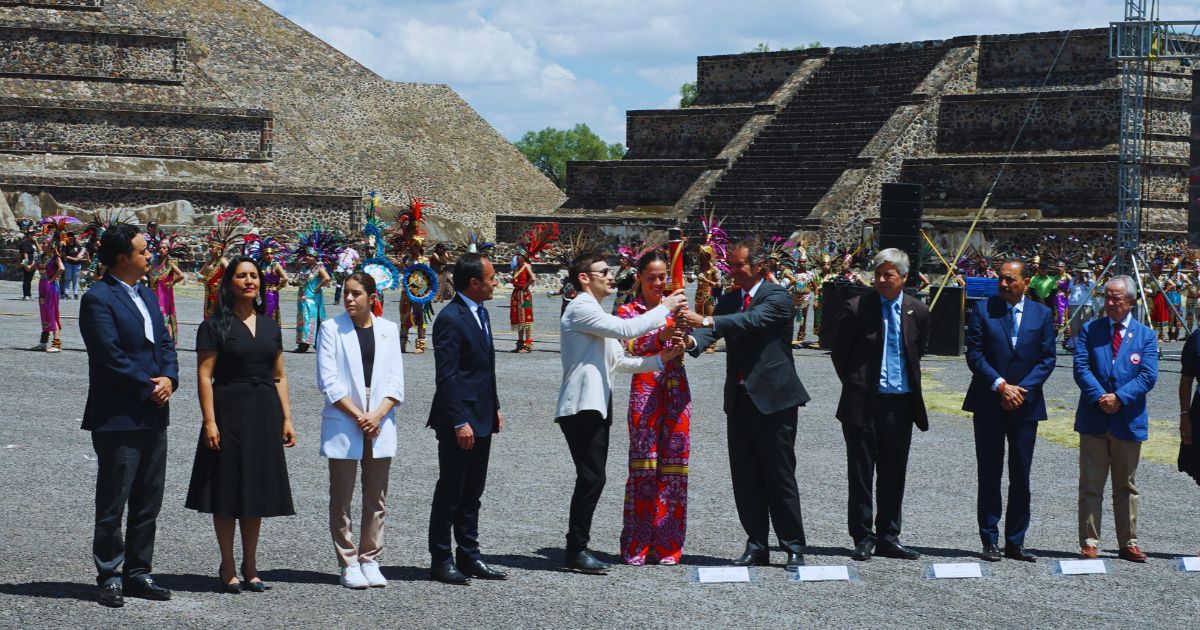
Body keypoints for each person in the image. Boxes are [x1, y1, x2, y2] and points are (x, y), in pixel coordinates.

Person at [682, 239, 810, 570]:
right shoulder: (728, 298)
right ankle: (756, 544)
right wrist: (690, 339)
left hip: (775, 401)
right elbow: (715, 333)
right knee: (746, 476)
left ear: (760, 267)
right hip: (739, 401)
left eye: (739, 265)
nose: (733, 271)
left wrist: (707, 321)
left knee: (779, 475)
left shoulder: (778, 297)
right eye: (732, 265)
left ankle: (793, 545)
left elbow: (748, 321)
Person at [556, 250, 686, 574]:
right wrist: (665, 309)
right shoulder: (581, 307)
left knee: (593, 477)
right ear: (585, 278)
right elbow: (628, 332)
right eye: (604, 271)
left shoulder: (596, 312)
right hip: (581, 405)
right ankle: (576, 548)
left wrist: (663, 358)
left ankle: (577, 546)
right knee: (592, 476)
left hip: (597, 403)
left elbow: (621, 362)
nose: (611, 276)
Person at [79, 223, 178, 608]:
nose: (150, 255)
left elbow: (166, 341)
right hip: (120, 414)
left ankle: (139, 572)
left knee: (148, 498)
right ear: (123, 258)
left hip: (154, 413)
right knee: (114, 499)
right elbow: (109, 355)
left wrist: (169, 377)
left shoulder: (147, 294)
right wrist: (148, 386)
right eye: (143, 250)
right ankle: (109, 573)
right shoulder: (98, 298)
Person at [186, 256, 297, 593]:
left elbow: (279, 375)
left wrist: (287, 417)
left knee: (255, 491)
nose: (249, 281)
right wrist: (209, 421)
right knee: (227, 489)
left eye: (253, 276)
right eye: (242, 276)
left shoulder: (270, 326)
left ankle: (251, 564)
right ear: (229, 282)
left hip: (264, 412)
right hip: (228, 411)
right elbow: (205, 375)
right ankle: (228, 564)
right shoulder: (214, 325)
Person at [830, 247, 929, 562]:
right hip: (863, 403)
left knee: (894, 472)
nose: (882, 280)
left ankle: (889, 535)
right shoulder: (858, 307)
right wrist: (857, 383)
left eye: (888, 274)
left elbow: (918, 350)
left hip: (899, 404)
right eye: (878, 274)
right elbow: (840, 353)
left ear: (903, 277)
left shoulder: (918, 311)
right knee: (860, 472)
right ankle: (863, 536)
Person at [963, 259, 1056, 563]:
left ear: (1026, 282)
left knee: (1021, 475)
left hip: (1025, 406)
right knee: (989, 472)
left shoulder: (1042, 314)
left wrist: (1020, 390)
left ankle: (1016, 541)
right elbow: (975, 353)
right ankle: (989, 538)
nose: (1003, 284)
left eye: (1010, 280)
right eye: (1001, 279)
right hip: (990, 402)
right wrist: (1001, 386)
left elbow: (1047, 358)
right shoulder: (983, 310)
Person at [316, 272, 405, 589]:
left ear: (371, 297)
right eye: (346, 294)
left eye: (356, 294)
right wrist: (360, 415)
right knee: (341, 496)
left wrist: (378, 414)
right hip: (346, 416)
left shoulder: (388, 330)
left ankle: (370, 558)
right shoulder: (330, 329)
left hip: (380, 417)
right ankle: (348, 561)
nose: (349, 299)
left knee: (376, 496)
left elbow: (396, 379)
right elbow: (328, 381)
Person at [427, 253, 507, 585]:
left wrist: (496, 405)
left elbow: (483, 369)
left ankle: (470, 555)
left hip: (483, 414)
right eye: (490, 278)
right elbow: (447, 377)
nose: (495, 282)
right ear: (473, 283)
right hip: (459, 419)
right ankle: (442, 558)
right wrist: (460, 421)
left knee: (473, 491)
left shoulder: (481, 312)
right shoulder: (450, 319)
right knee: (451, 490)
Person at [1073, 275, 1157, 562]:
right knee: (1091, 485)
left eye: (1116, 298)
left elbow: (1148, 376)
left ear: (1131, 301)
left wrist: (1119, 397)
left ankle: (1128, 542)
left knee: (1126, 486)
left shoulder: (1146, 335)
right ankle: (1089, 541)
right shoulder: (1090, 330)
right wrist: (1101, 397)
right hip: (1094, 419)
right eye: (1106, 297)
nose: (1109, 303)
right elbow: (1081, 367)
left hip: (1127, 419)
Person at [617, 251, 693, 565]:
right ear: (639, 279)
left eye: (663, 277)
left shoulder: (679, 306)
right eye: (652, 278)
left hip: (677, 392)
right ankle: (637, 544)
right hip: (645, 393)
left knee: (675, 470)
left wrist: (686, 340)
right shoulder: (628, 311)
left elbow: (697, 336)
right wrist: (660, 334)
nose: (659, 283)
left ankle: (668, 545)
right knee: (643, 470)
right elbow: (627, 346)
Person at [148, 240, 185, 340]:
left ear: (168, 250)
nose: (162, 250)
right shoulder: (155, 262)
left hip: (165, 293)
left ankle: (168, 339)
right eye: (160, 248)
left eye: (164, 248)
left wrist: (172, 282)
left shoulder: (170, 263)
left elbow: (181, 275)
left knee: (165, 315)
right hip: (154, 291)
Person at [294, 253, 331, 353]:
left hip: (312, 298)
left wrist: (317, 288)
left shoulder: (318, 268)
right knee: (302, 319)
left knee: (309, 320)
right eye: (307, 255)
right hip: (302, 297)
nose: (307, 257)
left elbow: (327, 278)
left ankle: (305, 344)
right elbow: (299, 280)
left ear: (315, 258)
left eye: (310, 256)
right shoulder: (304, 267)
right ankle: (302, 343)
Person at [36, 237, 65, 352]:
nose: (42, 244)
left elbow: (61, 268)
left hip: (51, 287)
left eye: (44, 243)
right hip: (42, 286)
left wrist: (52, 280)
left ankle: (56, 344)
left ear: (50, 245)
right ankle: (43, 342)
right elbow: (31, 268)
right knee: (44, 312)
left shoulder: (55, 257)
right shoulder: (41, 257)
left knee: (52, 312)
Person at [260, 243, 290, 327]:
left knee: (270, 312)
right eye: (266, 254)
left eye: (271, 253)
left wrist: (277, 288)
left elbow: (285, 278)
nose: (269, 256)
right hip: (261, 292)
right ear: (263, 255)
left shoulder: (275, 265)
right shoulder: (260, 265)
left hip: (271, 293)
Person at [510, 252, 535, 352]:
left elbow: (532, 278)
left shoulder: (526, 266)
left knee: (527, 319)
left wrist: (525, 286)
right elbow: (515, 280)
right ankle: (520, 344)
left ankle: (528, 345)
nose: (518, 258)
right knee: (518, 319)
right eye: (517, 256)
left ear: (524, 257)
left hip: (525, 296)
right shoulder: (516, 268)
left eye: (520, 256)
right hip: (516, 295)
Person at [200, 241, 229, 320]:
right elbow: (200, 273)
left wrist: (221, 281)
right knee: (208, 313)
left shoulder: (223, 261)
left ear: (219, 248)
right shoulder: (209, 261)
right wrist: (201, 277)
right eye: (209, 247)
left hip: (218, 293)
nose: (209, 249)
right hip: (208, 292)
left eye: (212, 247)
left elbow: (231, 272)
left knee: (217, 314)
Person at [61, 232, 86, 300]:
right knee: (68, 279)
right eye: (69, 238)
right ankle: (66, 293)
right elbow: (64, 256)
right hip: (68, 264)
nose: (71, 239)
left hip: (77, 265)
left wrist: (79, 257)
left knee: (76, 279)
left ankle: (75, 293)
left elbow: (82, 253)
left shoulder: (77, 246)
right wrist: (73, 259)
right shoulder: (65, 246)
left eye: (72, 238)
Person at [19, 229, 37, 301]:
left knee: (29, 279)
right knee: (26, 278)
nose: (32, 235)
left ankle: (29, 294)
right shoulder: (24, 243)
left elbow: (38, 250)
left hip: (32, 261)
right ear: (27, 234)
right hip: (27, 261)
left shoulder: (31, 243)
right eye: (31, 234)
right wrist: (27, 264)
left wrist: (36, 242)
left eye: (33, 234)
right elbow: (25, 253)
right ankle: (25, 295)